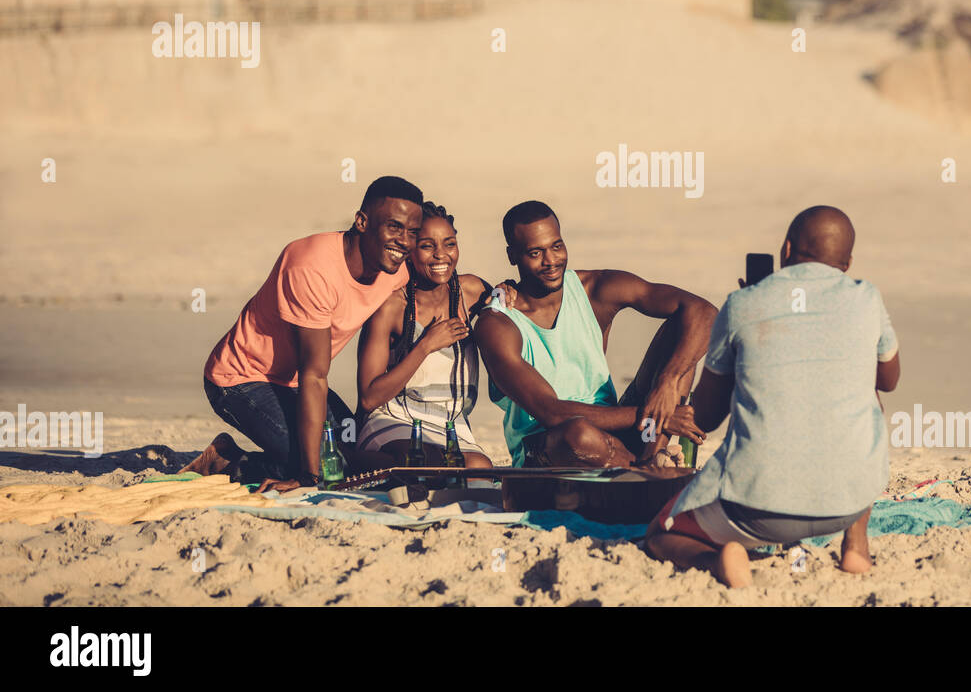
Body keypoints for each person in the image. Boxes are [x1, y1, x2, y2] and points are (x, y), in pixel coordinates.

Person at [644, 205, 901, 588]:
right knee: (866, 395)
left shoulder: (743, 304)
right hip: (847, 502)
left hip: (754, 511)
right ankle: (856, 545)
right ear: (847, 263)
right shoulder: (867, 298)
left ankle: (717, 560)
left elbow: (709, 416)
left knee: (660, 533)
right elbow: (890, 380)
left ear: (785, 250)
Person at [182, 176, 424, 491]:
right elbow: (315, 375)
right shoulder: (311, 268)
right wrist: (309, 479)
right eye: (394, 227)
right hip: (241, 380)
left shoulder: (396, 268)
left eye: (413, 232)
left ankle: (270, 459)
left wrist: (497, 295)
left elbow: (443, 274)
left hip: (296, 382)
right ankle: (227, 464)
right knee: (327, 465)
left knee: (356, 454)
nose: (404, 242)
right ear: (362, 221)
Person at [474, 200, 715, 469]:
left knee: (682, 335)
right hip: (551, 448)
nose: (551, 261)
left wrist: (667, 383)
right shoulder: (497, 324)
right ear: (512, 256)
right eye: (535, 253)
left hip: (622, 432)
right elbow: (551, 411)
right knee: (580, 434)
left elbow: (704, 312)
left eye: (557, 246)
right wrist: (657, 416)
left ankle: (653, 457)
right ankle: (646, 470)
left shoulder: (595, 289)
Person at [354, 201, 497, 469]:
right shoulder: (392, 307)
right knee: (422, 460)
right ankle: (353, 457)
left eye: (450, 244)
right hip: (395, 420)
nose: (442, 255)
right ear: (409, 251)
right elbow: (369, 398)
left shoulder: (472, 291)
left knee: (480, 468)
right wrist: (425, 346)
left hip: (452, 425)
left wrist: (507, 290)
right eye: (427, 246)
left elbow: (513, 309)